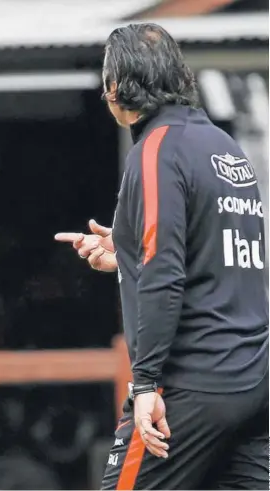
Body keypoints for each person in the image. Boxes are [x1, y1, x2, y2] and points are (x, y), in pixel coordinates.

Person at [56, 23, 268, 490]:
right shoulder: (222, 147)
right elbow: (212, 254)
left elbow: (163, 271)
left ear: (114, 89)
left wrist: (147, 382)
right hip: (254, 382)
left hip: (193, 383)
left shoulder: (156, 149)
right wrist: (126, 249)